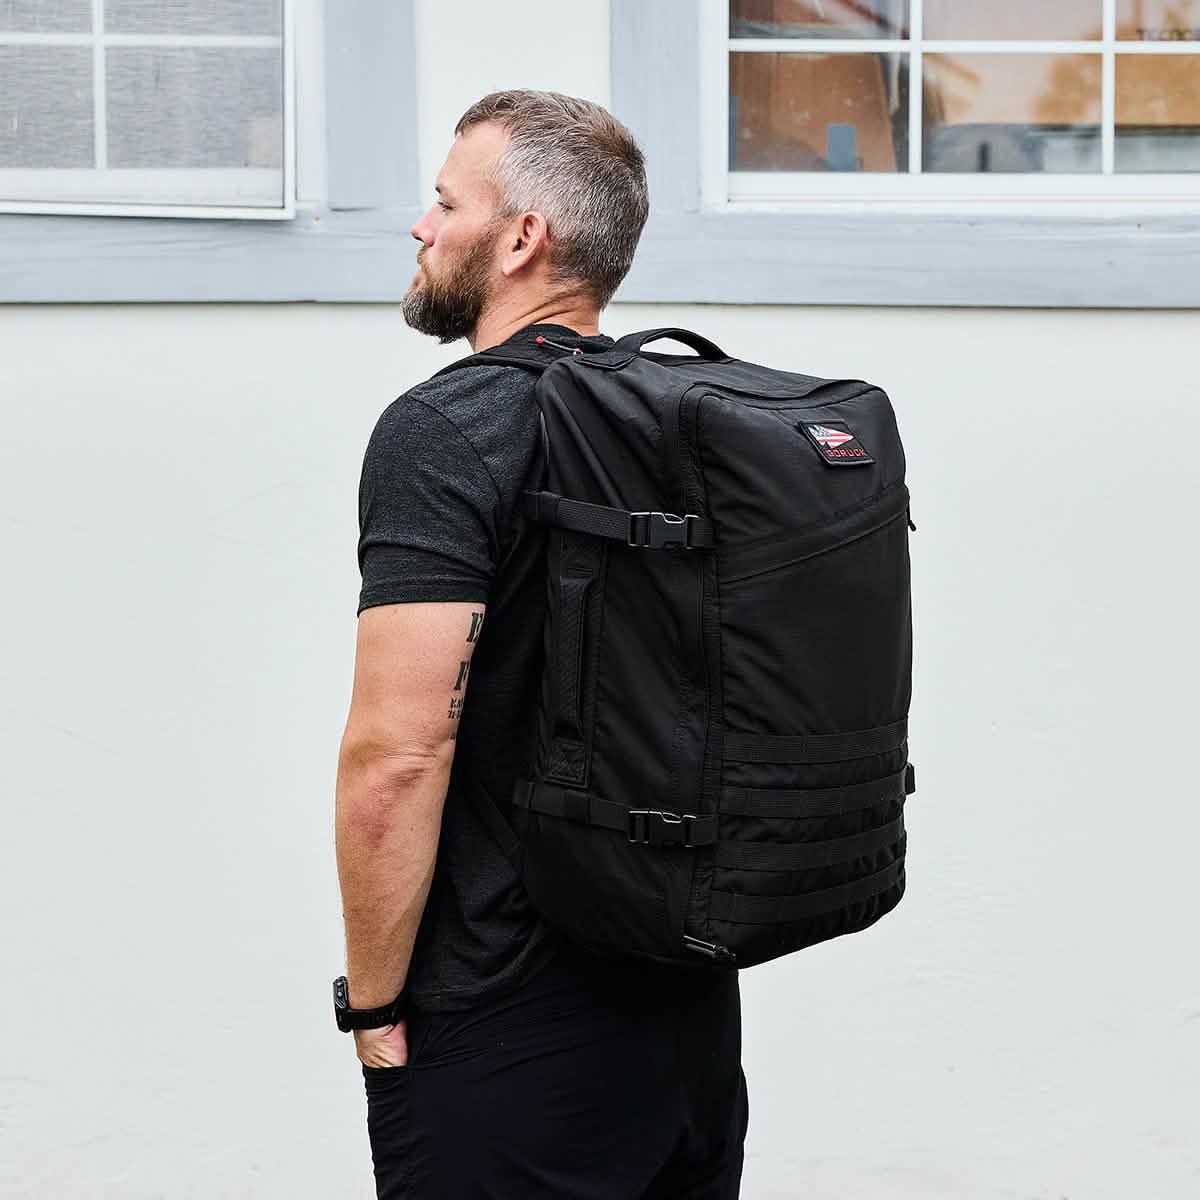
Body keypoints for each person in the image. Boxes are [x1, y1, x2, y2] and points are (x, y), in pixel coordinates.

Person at [334, 89, 749, 1198]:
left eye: (443, 201)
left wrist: (372, 1011)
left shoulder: (449, 426)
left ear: (522, 239)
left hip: (504, 1021)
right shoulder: (689, 419)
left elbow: (397, 759)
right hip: (687, 1018)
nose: (422, 227)